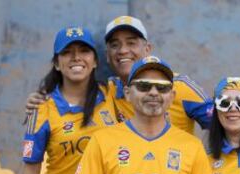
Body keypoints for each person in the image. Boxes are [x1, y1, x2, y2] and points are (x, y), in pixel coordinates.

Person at [70, 56, 219, 174]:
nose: (153, 92)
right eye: (143, 86)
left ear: (172, 96)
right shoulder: (102, 140)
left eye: (162, 87)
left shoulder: (191, 146)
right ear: (127, 93)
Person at [25, 15, 213, 135]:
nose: (123, 51)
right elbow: (70, 98)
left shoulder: (179, 86)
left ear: (147, 49)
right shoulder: (107, 91)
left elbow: (222, 125)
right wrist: (41, 99)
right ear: (107, 56)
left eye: (131, 43)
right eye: (115, 45)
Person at [18, 26, 117, 174]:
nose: (76, 58)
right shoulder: (43, 107)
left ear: (95, 61)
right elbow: (31, 165)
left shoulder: (113, 95)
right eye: (67, 52)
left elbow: (145, 84)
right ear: (56, 63)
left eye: (84, 51)